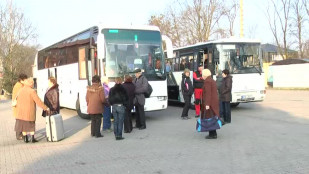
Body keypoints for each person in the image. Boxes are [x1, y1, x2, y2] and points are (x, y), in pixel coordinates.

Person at [15, 77, 49, 143]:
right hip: (29, 112)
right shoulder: (32, 91)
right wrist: (46, 108)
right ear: (31, 84)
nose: (33, 85)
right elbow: (38, 101)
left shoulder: (20, 90)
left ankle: (26, 139)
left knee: (23, 125)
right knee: (31, 125)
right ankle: (32, 139)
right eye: (33, 83)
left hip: (21, 112)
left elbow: (16, 99)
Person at [201, 69, 220, 139]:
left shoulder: (207, 81)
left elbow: (208, 94)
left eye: (202, 74)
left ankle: (212, 134)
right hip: (214, 103)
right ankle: (213, 133)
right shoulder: (212, 80)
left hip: (210, 103)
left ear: (205, 74)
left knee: (209, 118)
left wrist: (207, 104)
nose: (202, 76)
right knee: (212, 118)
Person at [12, 73, 28, 140]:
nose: (26, 81)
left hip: (20, 106)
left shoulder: (21, 85)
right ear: (21, 80)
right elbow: (18, 96)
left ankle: (21, 134)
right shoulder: (18, 86)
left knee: (21, 120)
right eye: (25, 79)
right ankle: (18, 135)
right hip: (18, 106)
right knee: (19, 121)